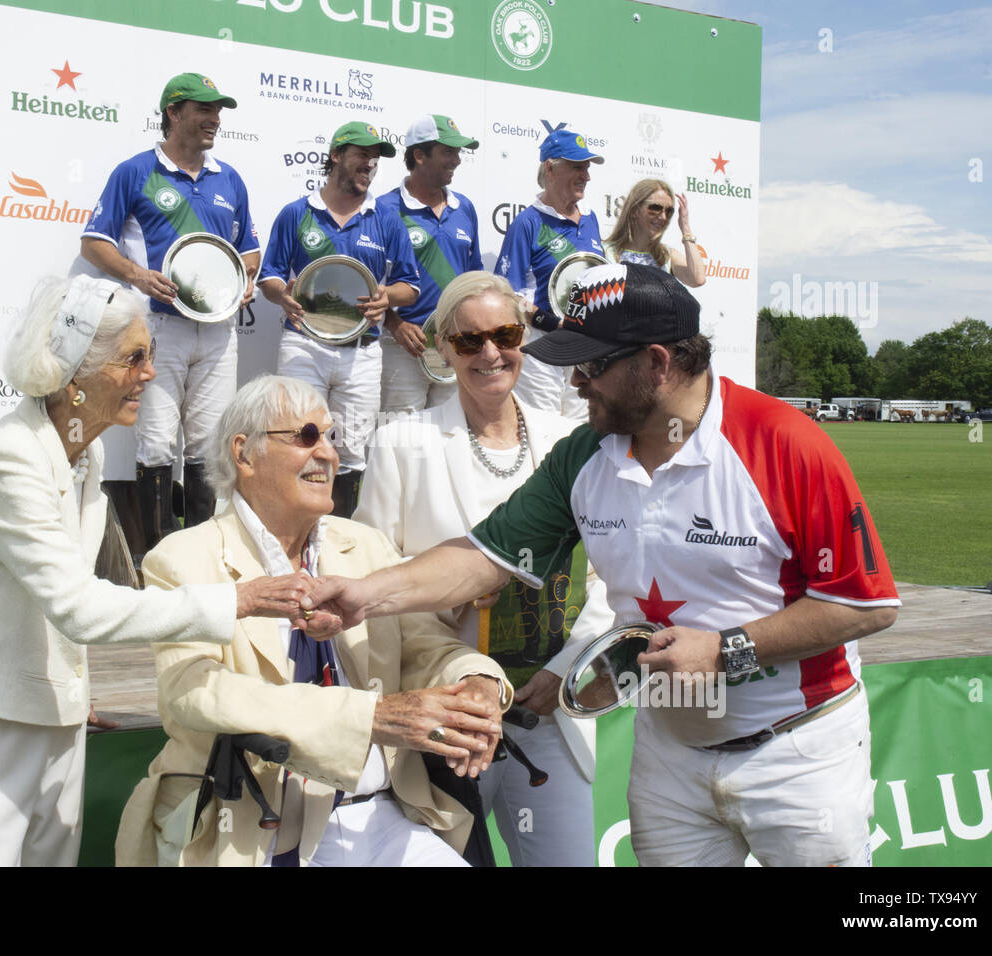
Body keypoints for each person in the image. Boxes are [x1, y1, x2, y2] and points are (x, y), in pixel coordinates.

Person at [306, 262, 901, 867]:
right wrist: (363, 593)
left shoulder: (785, 444)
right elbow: (483, 559)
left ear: (657, 364)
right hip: (669, 752)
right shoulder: (584, 453)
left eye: (591, 365)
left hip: (796, 752)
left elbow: (863, 604)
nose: (575, 381)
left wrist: (724, 651)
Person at [0, 277, 318, 867]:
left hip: (54, 715)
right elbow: (79, 606)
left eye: (150, 356)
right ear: (77, 375)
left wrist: (68, 685)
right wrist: (237, 600)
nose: (150, 374)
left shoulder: (85, 449)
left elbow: (64, 596)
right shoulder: (10, 458)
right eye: (134, 358)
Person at [115, 375, 511, 867]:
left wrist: (476, 680)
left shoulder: (364, 544)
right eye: (306, 436)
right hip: (255, 824)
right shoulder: (183, 558)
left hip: (385, 815)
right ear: (244, 454)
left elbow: (429, 647)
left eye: (331, 437)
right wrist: (371, 718)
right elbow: (194, 692)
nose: (327, 454)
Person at [354, 272, 612, 866]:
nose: (491, 353)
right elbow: (372, 567)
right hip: (447, 722)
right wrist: (451, 601)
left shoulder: (571, 440)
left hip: (551, 712)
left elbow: (604, 577)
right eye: (470, 341)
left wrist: (565, 669)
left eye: (505, 334)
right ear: (443, 346)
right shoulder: (401, 443)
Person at [80, 72, 259, 554]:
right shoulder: (136, 171)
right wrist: (140, 276)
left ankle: (200, 555)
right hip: (157, 328)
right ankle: (159, 556)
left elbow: (250, 252)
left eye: (218, 111)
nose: (214, 119)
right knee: (157, 445)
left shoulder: (230, 179)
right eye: (204, 109)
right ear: (173, 113)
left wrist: (242, 282)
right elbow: (95, 242)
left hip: (218, 331)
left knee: (208, 446)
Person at [258, 121, 421, 518]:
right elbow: (269, 276)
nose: (370, 163)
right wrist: (283, 294)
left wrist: (387, 297)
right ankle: (288, 534)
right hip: (304, 344)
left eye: (375, 157)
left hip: (362, 352)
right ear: (336, 156)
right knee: (296, 439)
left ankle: (338, 542)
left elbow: (410, 286)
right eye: (362, 154)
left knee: (350, 454)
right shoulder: (296, 213)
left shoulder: (385, 219)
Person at [494, 128, 605, 424]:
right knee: (542, 429)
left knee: (581, 430)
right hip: (543, 347)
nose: (586, 175)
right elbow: (508, 295)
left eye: (588, 167)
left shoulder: (591, 220)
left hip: (584, 345)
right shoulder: (527, 223)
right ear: (550, 168)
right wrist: (550, 322)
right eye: (577, 167)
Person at [375, 114, 482, 414]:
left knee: (449, 435)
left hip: (454, 345)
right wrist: (394, 324)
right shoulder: (384, 209)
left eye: (458, 152)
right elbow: (369, 282)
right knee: (400, 439)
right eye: (448, 151)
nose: (457, 160)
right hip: (403, 346)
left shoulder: (465, 208)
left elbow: (473, 278)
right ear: (419, 155)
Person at [602, 178, 705, 287]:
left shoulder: (666, 255)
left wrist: (685, 228)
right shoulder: (605, 251)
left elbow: (697, 279)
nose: (663, 217)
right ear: (634, 210)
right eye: (655, 208)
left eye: (669, 211)